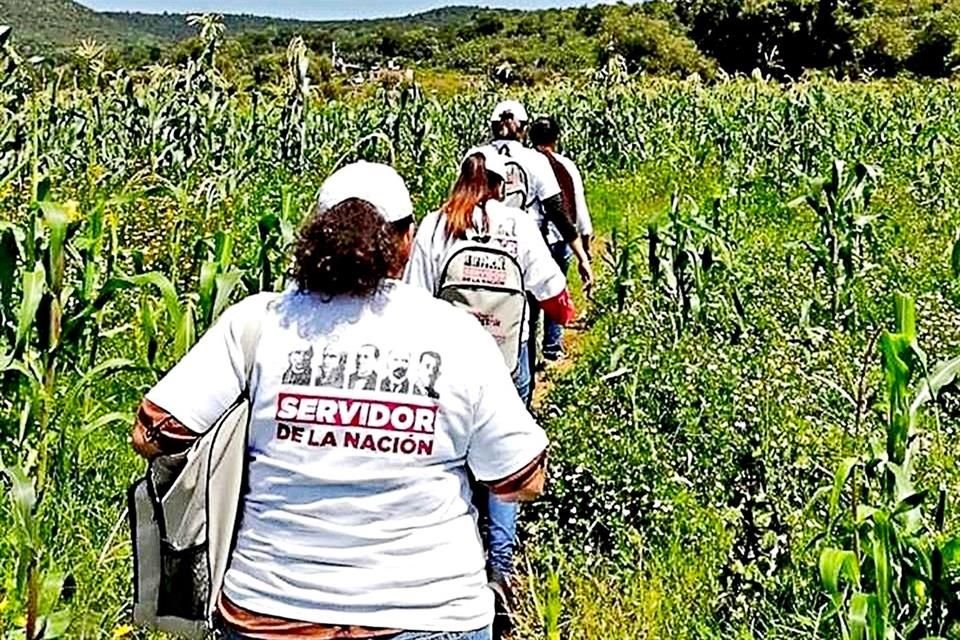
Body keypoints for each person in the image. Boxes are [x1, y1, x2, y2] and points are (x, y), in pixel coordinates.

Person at [131, 161, 548, 640]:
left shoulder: (259, 322)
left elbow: (151, 434)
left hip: (272, 610)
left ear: (316, 238)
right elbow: (521, 480)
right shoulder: (457, 334)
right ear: (406, 244)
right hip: (430, 612)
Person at [404, 149, 574, 629]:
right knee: (503, 459)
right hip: (506, 361)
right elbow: (553, 294)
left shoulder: (437, 225)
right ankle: (500, 571)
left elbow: (414, 302)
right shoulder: (517, 225)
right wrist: (564, 321)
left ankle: (454, 558)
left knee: (449, 457)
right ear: (503, 185)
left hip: (441, 366)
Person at [472, 100, 592, 374]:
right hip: (522, 248)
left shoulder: (475, 155)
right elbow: (557, 211)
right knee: (526, 317)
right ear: (523, 130)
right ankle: (523, 379)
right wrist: (581, 255)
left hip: (477, 248)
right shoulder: (534, 161)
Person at [529, 115, 594, 362]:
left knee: (531, 295)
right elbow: (578, 204)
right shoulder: (567, 166)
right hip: (559, 238)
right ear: (556, 138)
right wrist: (584, 244)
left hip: (531, 240)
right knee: (556, 288)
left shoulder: (524, 163)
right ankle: (552, 347)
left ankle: (530, 349)